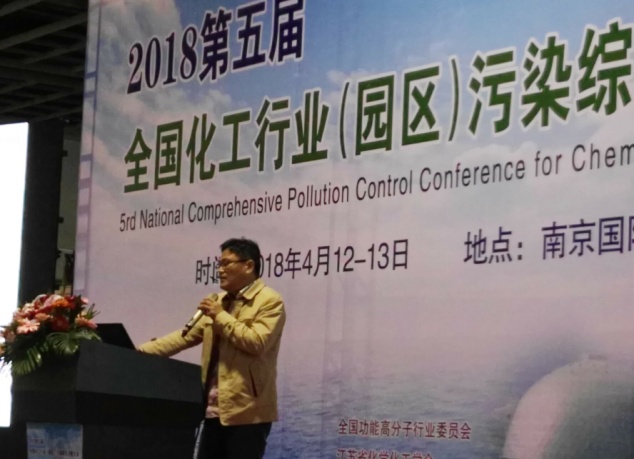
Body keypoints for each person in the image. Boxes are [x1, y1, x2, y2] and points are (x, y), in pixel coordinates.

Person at [138, 238, 286, 459]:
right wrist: (137, 351)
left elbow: (256, 342)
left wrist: (220, 315)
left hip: (247, 413)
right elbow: (182, 337)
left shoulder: (270, 301)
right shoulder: (220, 302)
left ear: (248, 265)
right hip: (213, 411)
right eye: (219, 264)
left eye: (226, 264)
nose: (220, 270)